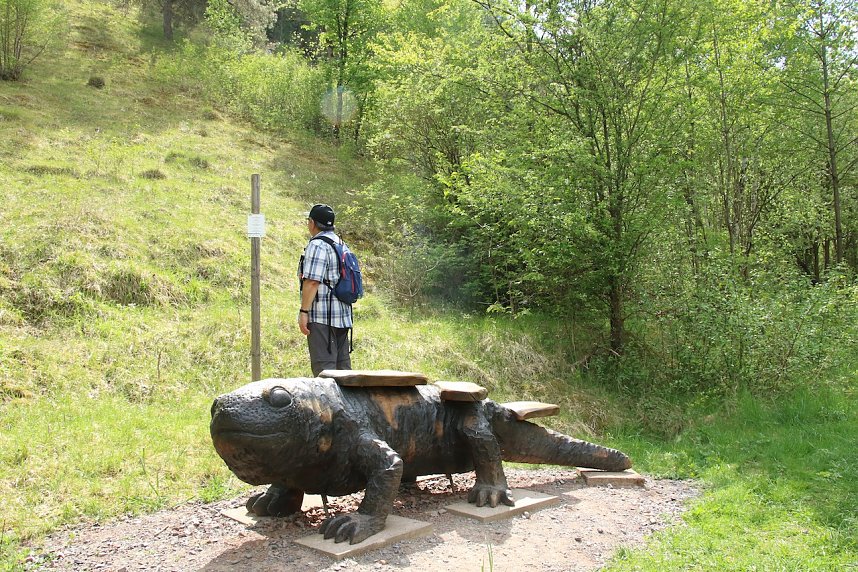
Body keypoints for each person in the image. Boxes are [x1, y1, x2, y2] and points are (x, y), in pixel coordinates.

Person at [298, 204, 353, 376]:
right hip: (343, 316)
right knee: (343, 374)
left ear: (312, 223)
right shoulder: (341, 243)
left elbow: (312, 282)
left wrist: (303, 312)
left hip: (323, 318)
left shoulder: (318, 245)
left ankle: (330, 405)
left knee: (325, 374)